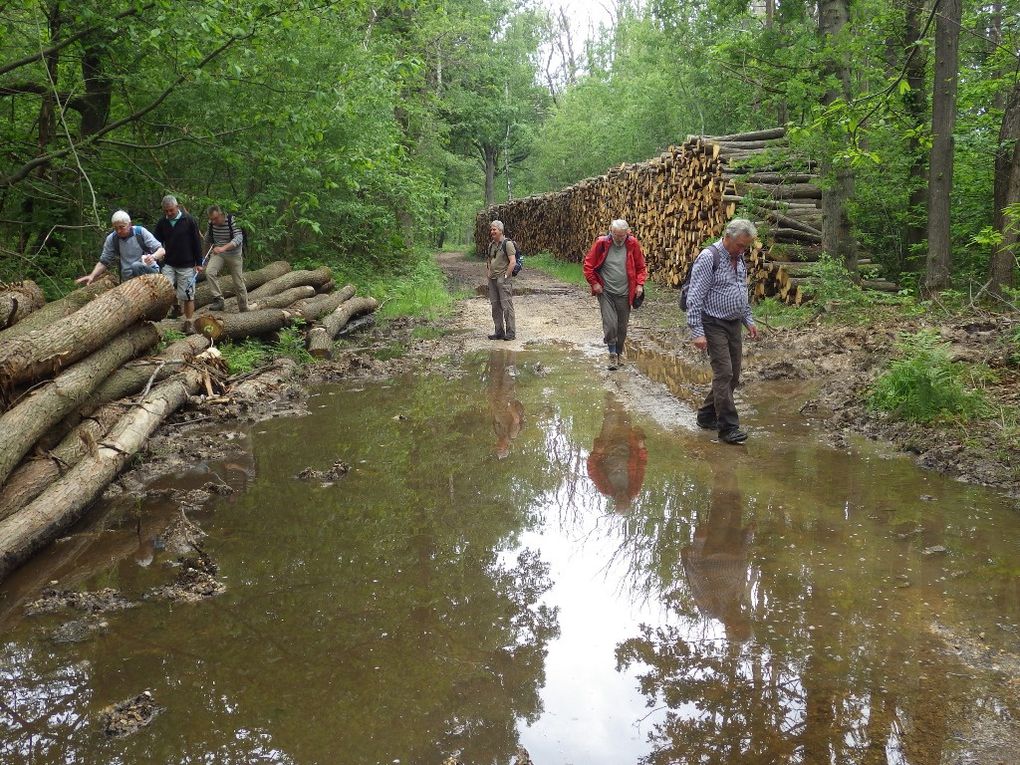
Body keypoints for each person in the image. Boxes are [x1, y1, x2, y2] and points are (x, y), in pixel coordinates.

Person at [686, 218, 759, 445]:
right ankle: (728, 428)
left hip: (733, 322)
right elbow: (695, 297)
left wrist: (748, 319)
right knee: (724, 373)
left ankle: (706, 415)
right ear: (727, 237)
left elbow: (740, 290)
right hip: (712, 322)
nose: (743, 250)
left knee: (733, 376)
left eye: (746, 246)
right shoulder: (709, 258)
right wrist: (697, 331)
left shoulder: (739, 257)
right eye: (740, 245)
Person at [681, 465, 756, 642]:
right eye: (744, 620)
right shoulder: (738, 599)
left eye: (740, 622)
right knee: (736, 503)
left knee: (723, 506)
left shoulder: (711, 610)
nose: (742, 616)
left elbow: (696, 575)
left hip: (714, 548)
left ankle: (722, 465)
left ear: (730, 627)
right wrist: (747, 537)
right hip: (735, 543)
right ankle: (729, 467)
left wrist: (698, 543)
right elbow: (741, 567)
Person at [583, 219, 647, 370]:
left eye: (622, 236)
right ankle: (612, 354)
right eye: (616, 235)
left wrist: (639, 284)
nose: (619, 238)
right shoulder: (602, 243)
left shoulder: (632, 244)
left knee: (622, 327)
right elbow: (588, 265)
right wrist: (594, 283)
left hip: (625, 292)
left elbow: (641, 266)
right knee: (610, 324)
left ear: (627, 233)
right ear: (611, 231)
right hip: (606, 292)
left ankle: (618, 353)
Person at [586, 394, 647, 511]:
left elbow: (592, 468)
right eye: (623, 499)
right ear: (629, 499)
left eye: (619, 500)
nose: (620, 497)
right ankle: (624, 387)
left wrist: (597, 452)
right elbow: (641, 465)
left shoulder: (605, 488)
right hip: (628, 444)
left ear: (615, 501)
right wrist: (641, 448)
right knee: (625, 415)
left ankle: (610, 387)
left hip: (607, 446)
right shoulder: (634, 489)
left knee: (610, 415)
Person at [154, 195, 204, 332]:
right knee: (164, 289)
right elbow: (155, 243)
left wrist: (198, 262)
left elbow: (196, 242)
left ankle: (189, 321)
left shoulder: (189, 220)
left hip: (187, 264)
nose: (169, 213)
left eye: (171, 210)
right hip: (168, 263)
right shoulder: (162, 223)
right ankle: (174, 307)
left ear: (177, 207)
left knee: (188, 295)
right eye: (166, 211)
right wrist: (155, 257)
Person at [76, 210, 165, 286]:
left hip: (149, 273)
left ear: (130, 224)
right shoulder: (112, 239)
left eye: (122, 227)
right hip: (128, 280)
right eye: (115, 228)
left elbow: (161, 250)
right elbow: (104, 262)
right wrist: (92, 275)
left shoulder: (140, 232)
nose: (119, 231)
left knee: (136, 266)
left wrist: (153, 257)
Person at [204, 204, 248, 312]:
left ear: (222, 214)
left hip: (234, 254)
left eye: (215, 218)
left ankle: (243, 307)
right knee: (209, 272)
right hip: (218, 254)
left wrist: (223, 248)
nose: (213, 221)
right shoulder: (211, 224)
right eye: (211, 219)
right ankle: (219, 300)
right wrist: (204, 256)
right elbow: (207, 239)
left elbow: (238, 238)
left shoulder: (232, 220)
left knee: (238, 282)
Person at [488, 349, 525, 459]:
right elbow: (516, 419)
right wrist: (509, 405)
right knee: (509, 373)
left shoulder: (498, 433)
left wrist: (491, 402)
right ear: (506, 447)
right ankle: (511, 348)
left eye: (497, 448)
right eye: (500, 448)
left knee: (495, 373)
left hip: (497, 399)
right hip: (507, 399)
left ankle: (497, 350)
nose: (497, 446)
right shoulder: (512, 434)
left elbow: (495, 417)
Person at [486, 220, 518, 341]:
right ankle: (499, 331)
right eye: (491, 229)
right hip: (492, 279)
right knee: (495, 306)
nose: (492, 231)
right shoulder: (491, 245)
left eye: (494, 229)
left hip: (503, 280)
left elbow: (513, 261)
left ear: (501, 230)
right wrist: (488, 273)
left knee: (506, 306)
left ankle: (511, 333)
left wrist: (505, 276)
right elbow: (489, 260)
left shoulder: (507, 244)